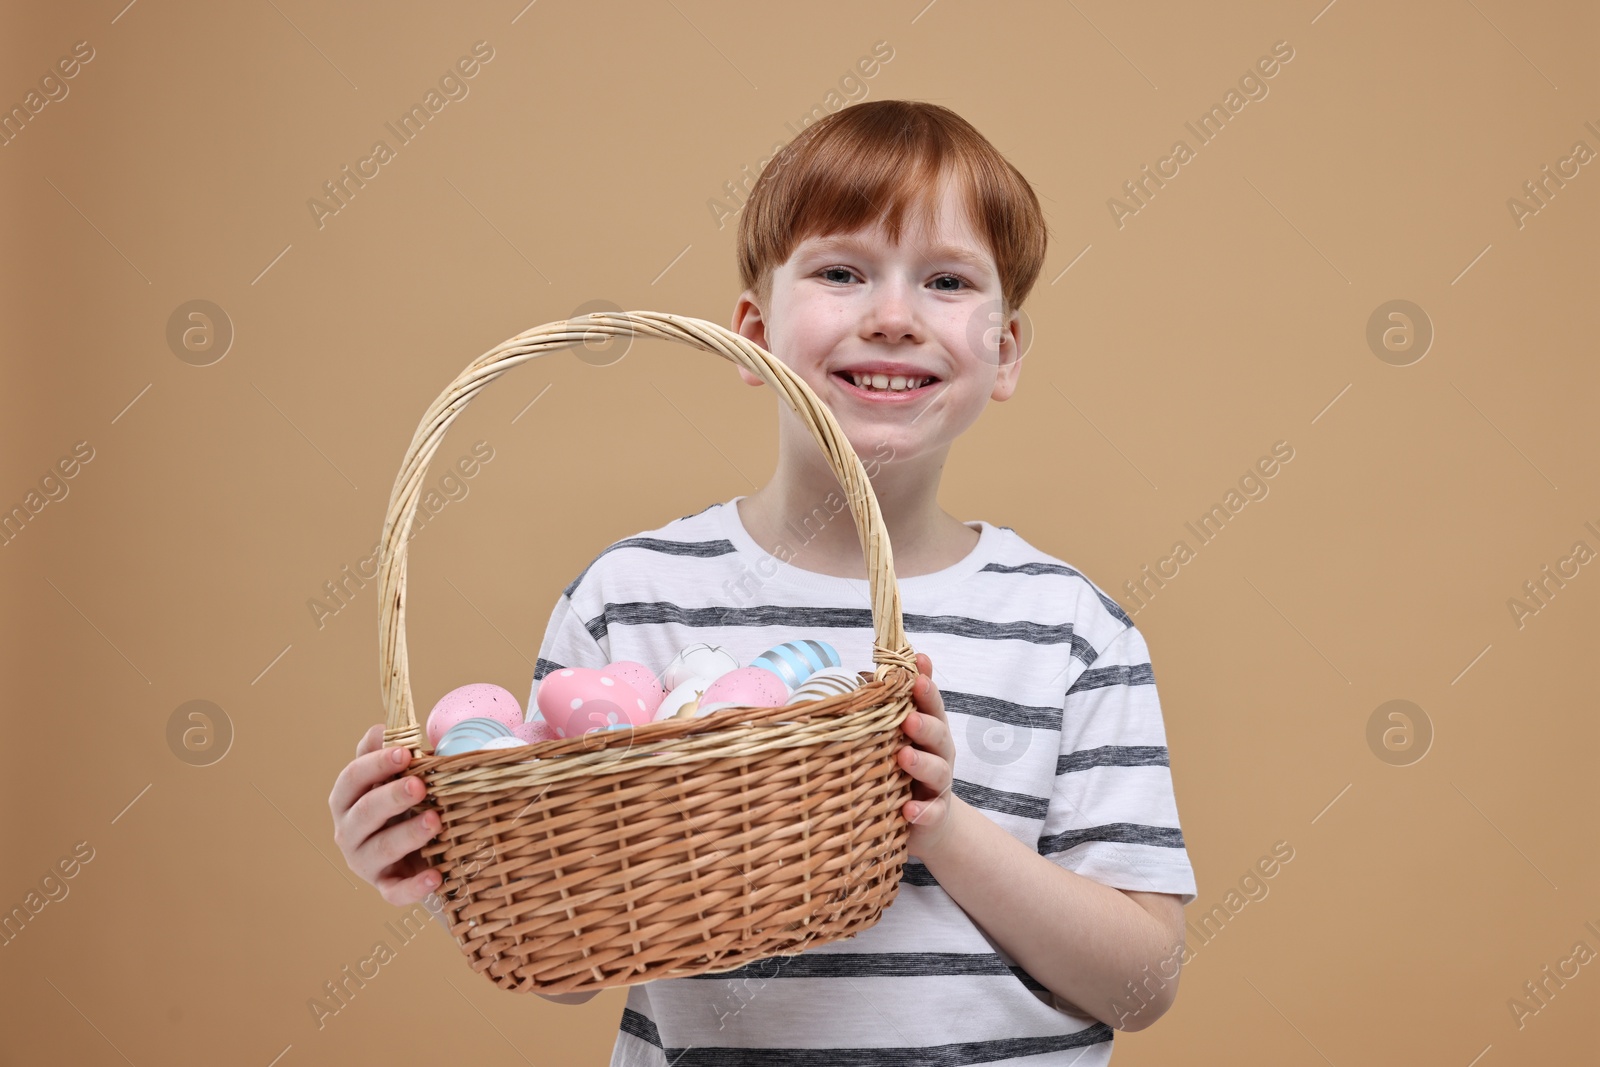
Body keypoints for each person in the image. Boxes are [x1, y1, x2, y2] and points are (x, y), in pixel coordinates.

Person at [330, 98, 1196, 1065]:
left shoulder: (1072, 630)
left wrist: (940, 824)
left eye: (947, 281)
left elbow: (1143, 981)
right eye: (840, 271)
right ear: (752, 333)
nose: (895, 316)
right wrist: (446, 865)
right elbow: (573, 960)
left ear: (1005, 351)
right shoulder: (634, 600)